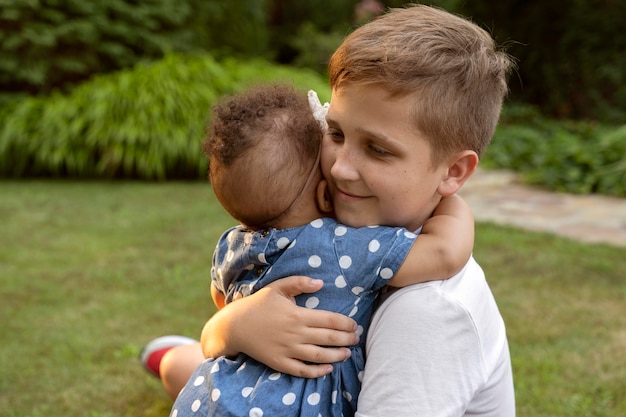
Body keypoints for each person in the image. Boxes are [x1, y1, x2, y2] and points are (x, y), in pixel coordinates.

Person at [143, 4, 516, 416]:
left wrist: (454, 206)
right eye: (335, 132)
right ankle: (173, 357)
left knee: (196, 369)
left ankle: (175, 357)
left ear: (454, 171)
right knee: (192, 366)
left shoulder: (427, 311)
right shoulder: (341, 222)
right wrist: (228, 329)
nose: (340, 168)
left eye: (377, 149)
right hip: (269, 381)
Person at [167, 82, 473, 417]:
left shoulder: (232, 242)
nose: (341, 167)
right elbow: (444, 253)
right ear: (326, 196)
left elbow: (220, 299)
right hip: (293, 406)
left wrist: (235, 324)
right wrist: (452, 202)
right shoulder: (343, 246)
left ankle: (165, 356)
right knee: (177, 361)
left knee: (176, 363)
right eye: (335, 135)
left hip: (212, 394)